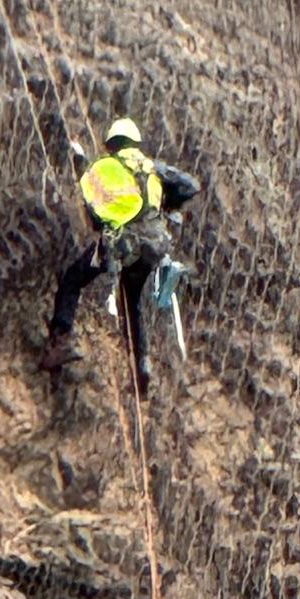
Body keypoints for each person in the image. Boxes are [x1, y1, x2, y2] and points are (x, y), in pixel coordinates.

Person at [42, 117, 200, 394]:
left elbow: (89, 186)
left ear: (112, 144)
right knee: (132, 303)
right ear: (135, 143)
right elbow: (190, 185)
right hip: (154, 247)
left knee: (72, 279)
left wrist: (77, 157)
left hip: (123, 243)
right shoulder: (152, 168)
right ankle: (142, 367)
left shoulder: (108, 166)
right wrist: (170, 205)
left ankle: (60, 341)